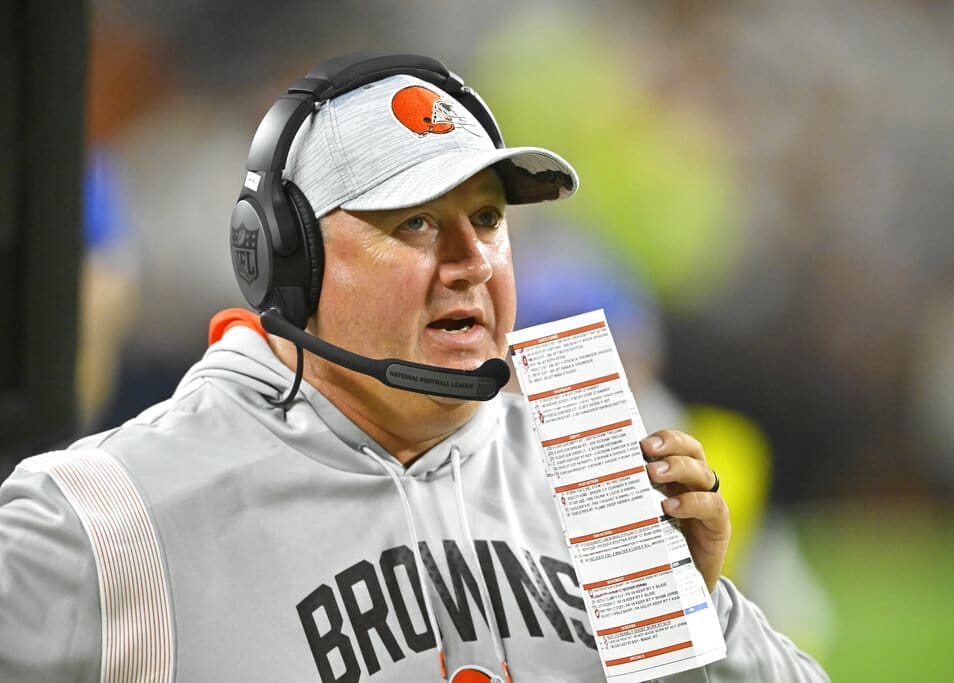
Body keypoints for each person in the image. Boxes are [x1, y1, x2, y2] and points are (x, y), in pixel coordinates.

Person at [0, 53, 828, 682]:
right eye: (418, 224)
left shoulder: (594, 467)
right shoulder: (103, 514)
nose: (472, 259)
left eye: (488, 218)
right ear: (288, 261)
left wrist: (698, 614)